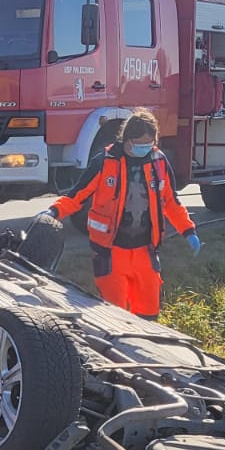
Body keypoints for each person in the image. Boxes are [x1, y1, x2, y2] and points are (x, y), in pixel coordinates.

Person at [40, 109, 200, 319]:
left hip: (145, 251)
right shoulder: (105, 162)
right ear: (127, 140)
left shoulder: (158, 162)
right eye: (141, 143)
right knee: (115, 318)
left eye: (150, 143)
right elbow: (76, 196)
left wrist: (188, 230)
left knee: (149, 315)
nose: (146, 148)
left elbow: (171, 202)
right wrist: (54, 212)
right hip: (112, 252)